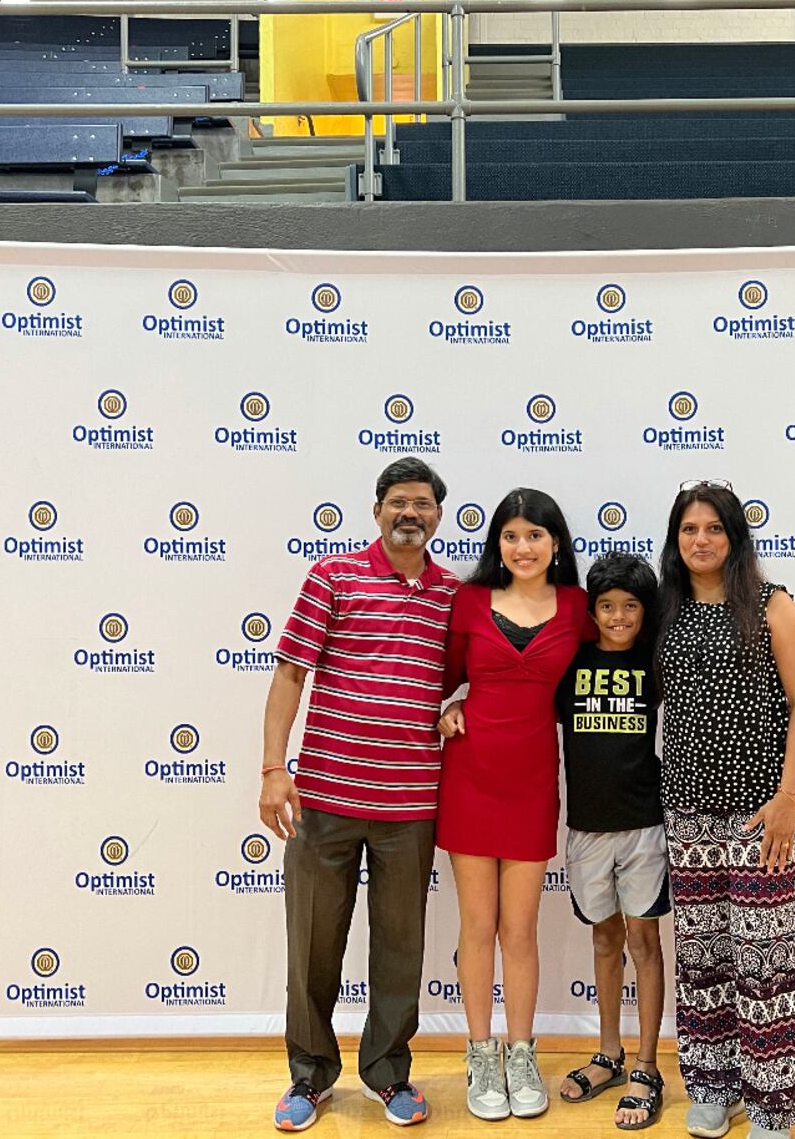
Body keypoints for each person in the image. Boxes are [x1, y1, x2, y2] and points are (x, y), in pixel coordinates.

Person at [259, 457, 461, 1133]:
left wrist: (458, 704)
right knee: (313, 945)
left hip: (411, 806)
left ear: (438, 516)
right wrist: (272, 769)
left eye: (423, 503)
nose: (411, 512)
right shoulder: (333, 576)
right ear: (376, 510)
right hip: (324, 800)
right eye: (399, 501)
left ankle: (388, 1073)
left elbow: (467, 681)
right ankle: (309, 1077)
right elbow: (290, 673)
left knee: (401, 948)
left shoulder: (452, 596)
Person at [654, 481, 795, 1139]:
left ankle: (773, 1104)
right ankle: (711, 1087)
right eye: (690, 529)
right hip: (688, 804)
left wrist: (788, 798)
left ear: (734, 537)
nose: (701, 540)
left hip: (762, 808)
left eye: (713, 528)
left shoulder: (772, 605)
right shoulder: (663, 609)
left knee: (762, 956)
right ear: (676, 539)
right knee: (702, 955)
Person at [434, 488, 589, 1122]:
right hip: (470, 775)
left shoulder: (579, 606)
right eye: (511, 535)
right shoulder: (468, 601)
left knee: (519, 930)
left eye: (535, 535)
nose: (522, 547)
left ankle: (522, 1052)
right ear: (497, 543)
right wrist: (448, 708)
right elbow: (440, 678)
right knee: (477, 927)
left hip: (531, 781)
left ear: (556, 545)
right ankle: (480, 1051)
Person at [553, 552, 670, 1132]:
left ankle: (648, 1065)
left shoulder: (655, 661)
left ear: (645, 612)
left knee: (643, 942)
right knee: (605, 939)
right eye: (606, 606)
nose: (618, 616)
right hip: (585, 827)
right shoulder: (570, 662)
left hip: (644, 824)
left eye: (630, 606)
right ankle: (610, 1053)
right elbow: (517, 706)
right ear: (591, 611)